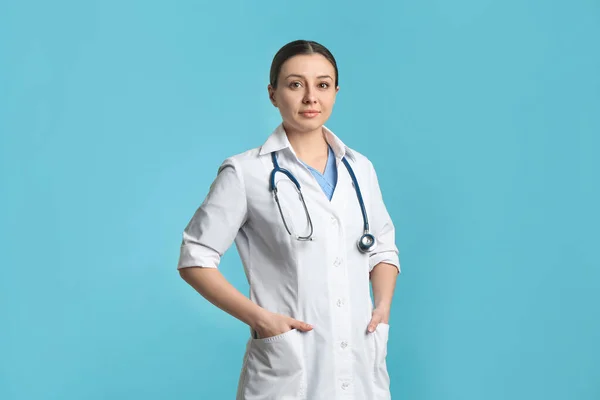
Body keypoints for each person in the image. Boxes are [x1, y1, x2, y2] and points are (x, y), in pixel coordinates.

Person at [177, 39, 401, 400]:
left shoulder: (360, 169)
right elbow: (194, 258)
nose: (311, 97)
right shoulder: (246, 172)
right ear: (273, 93)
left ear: (336, 92)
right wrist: (262, 321)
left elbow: (382, 247)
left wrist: (383, 307)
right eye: (296, 84)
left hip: (360, 364)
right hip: (289, 368)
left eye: (323, 85)